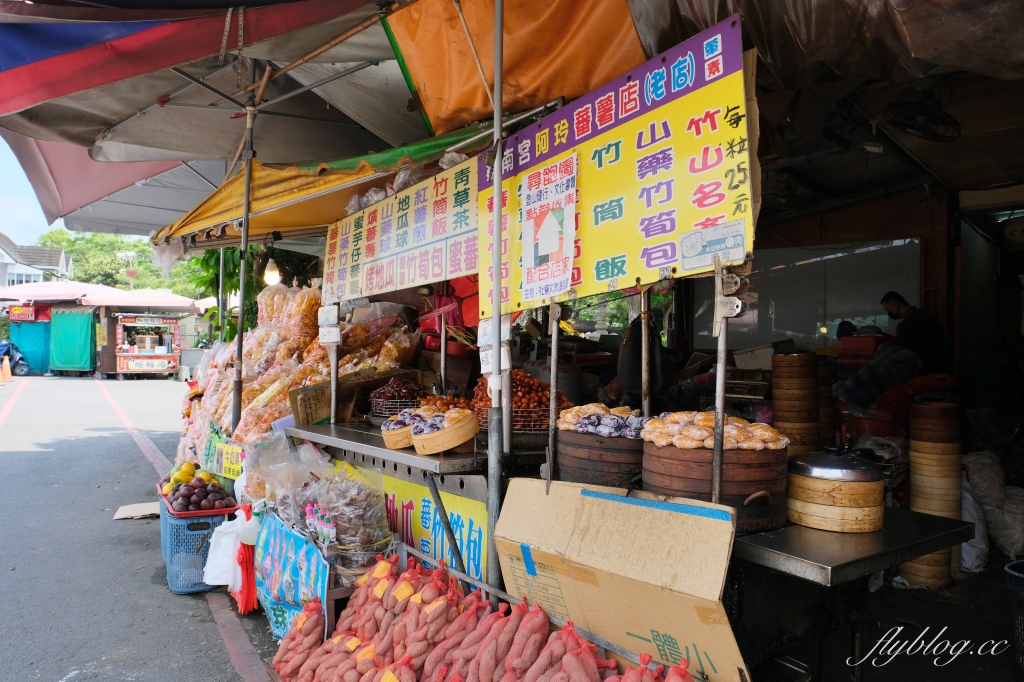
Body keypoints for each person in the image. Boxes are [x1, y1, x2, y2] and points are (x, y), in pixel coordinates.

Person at [880, 291, 946, 373]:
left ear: (895, 306)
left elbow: (902, 355)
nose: (889, 314)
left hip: (921, 372)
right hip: (941, 368)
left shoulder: (904, 326)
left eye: (888, 310)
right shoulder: (929, 316)